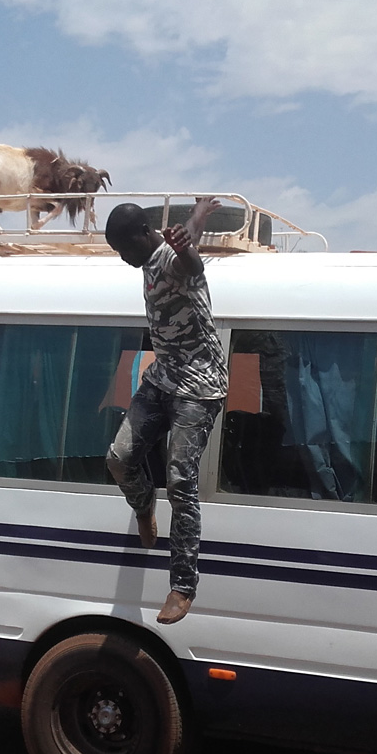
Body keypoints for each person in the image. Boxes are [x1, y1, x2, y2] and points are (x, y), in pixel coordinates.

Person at [103, 197, 228, 625]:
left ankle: (183, 585)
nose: (122, 259)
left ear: (142, 235)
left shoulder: (172, 261)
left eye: (124, 249)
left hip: (199, 382)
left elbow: (192, 264)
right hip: (164, 376)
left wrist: (187, 248)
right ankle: (143, 507)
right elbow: (186, 232)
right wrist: (200, 213)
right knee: (119, 459)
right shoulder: (156, 248)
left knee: (179, 478)